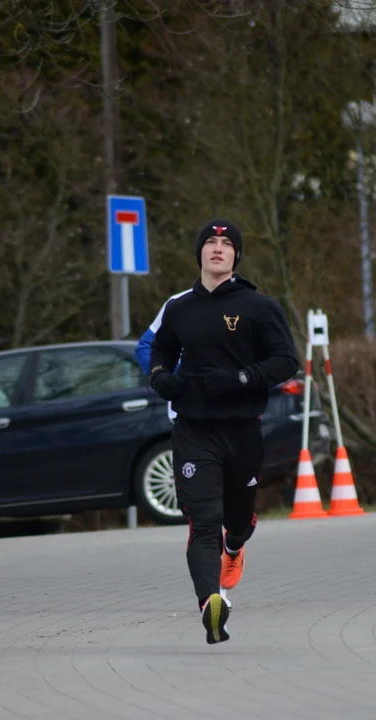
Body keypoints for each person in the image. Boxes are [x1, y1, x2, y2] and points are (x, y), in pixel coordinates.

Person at [148, 218, 299, 645]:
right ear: (199, 253)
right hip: (194, 430)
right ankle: (209, 604)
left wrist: (242, 379)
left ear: (236, 256)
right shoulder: (179, 309)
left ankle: (234, 549)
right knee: (203, 520)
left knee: (236, 522)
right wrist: (161, 378)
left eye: (226, 243)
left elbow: (285, 360)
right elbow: (160, 352)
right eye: (210, 242)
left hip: (242, 431)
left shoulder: (259, 306)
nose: (218, 248)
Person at [135, 288, 191, 423]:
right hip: (187, 414)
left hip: (237, 414)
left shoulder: (247, 302)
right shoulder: (179, 303)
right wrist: (166, 376)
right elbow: (145, 347)